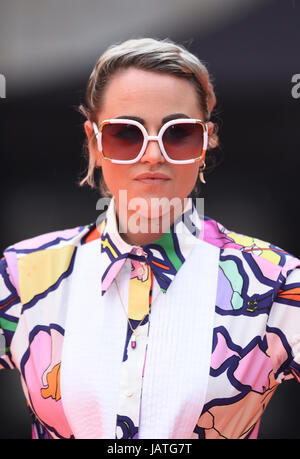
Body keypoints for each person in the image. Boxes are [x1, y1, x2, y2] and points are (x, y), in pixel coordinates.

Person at [0, 37, 299, 440]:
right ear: (95, 142)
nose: (153, 154)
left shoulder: (276, 281)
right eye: (127, 133)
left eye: (179, 134)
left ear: (206, 142)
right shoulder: (21, 274)